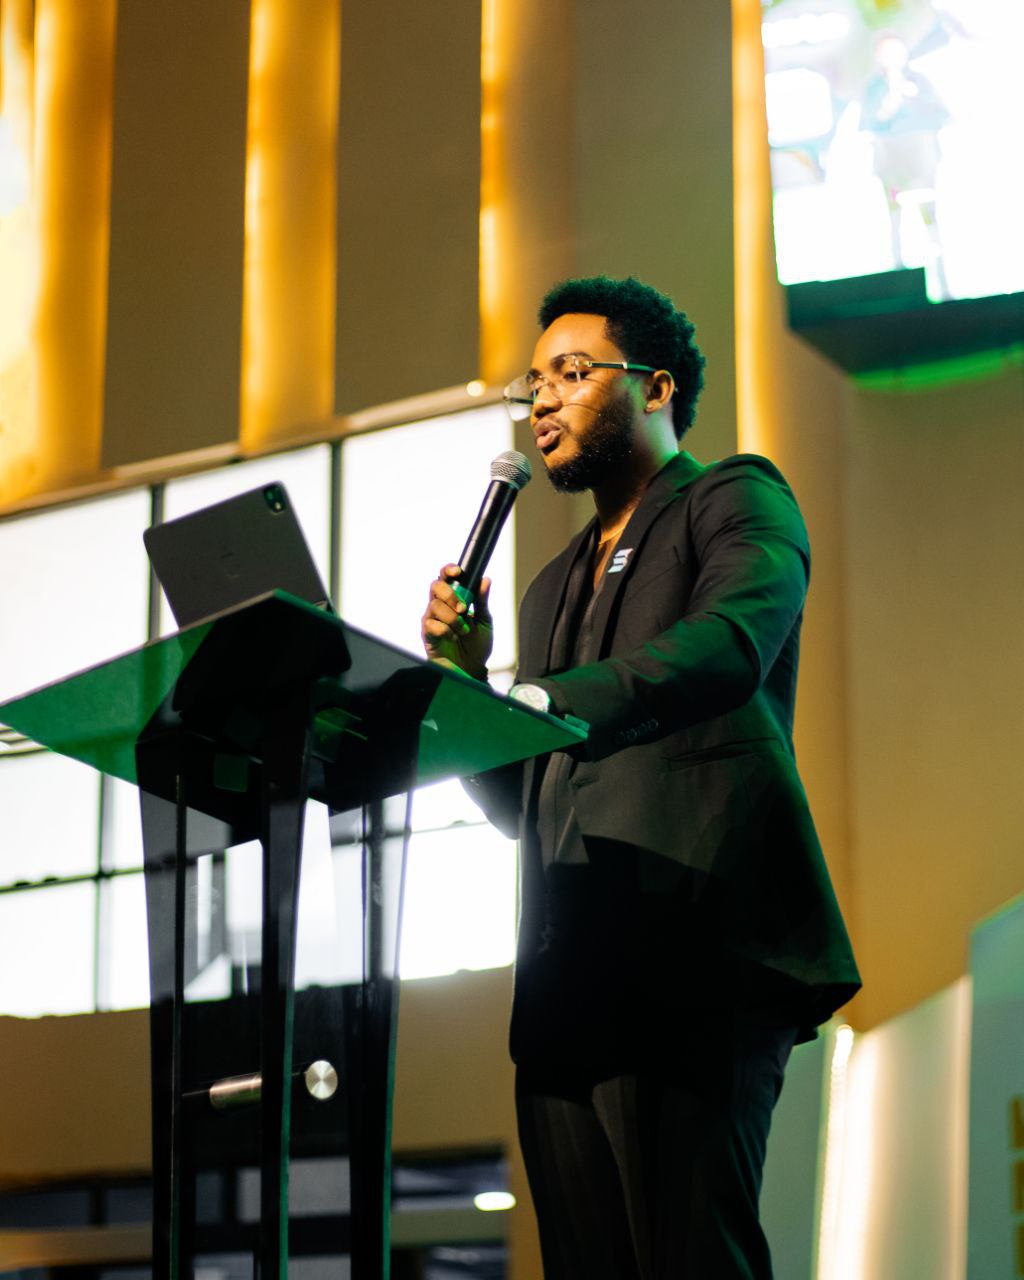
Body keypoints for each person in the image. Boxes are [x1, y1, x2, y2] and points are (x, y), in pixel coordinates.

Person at [420, 276, 860, 1279]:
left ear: (654, 387)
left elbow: (728, 646)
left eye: (570, 374)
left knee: (688, 1256)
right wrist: (469, 680)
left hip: (694, 948)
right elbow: (524, 802)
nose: (540, 401)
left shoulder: (735, 497)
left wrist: (546, 699)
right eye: (530, 382)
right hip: (567, 981)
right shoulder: (545, 587)